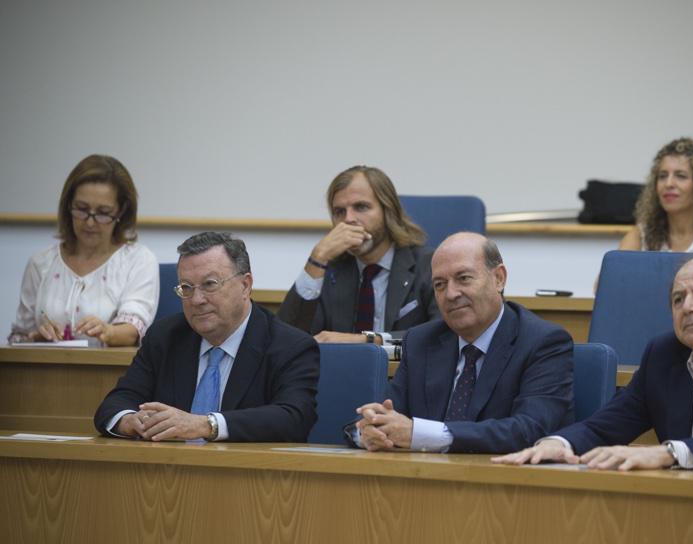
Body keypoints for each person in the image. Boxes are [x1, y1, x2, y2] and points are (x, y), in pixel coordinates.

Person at [493, 255, 693, 471]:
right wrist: (556, 443)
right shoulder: (663, 355)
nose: (688, 307)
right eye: (678, 299)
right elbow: (604, 426)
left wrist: (668, 453)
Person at [352, 232, 574, 454]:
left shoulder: (543, 342)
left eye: (463, 278)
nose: (450, 294)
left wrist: (420, 434)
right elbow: (382, 415)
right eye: (439, 284)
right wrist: (368, 432)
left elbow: (529, 430)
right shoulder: (421, 342)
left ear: (499, 278)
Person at [94, 232, 318, 442]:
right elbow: (115, 404)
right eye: (186, 287)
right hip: (167, 475)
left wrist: (207, 425)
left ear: (245, 285)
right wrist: (130, 421)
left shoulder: (290, 345)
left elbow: (294, 417)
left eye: (210, 284)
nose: (197, 299)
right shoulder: (165, 336)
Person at [277, 165, 439, 345]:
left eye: (361, 207)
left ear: (388, 211)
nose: (348, 219)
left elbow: (441, 334)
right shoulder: (330, 270)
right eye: (339, 212)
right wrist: (317, 258)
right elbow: (286, 341)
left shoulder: (429, 265)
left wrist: (367, 340)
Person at [8, 154, 159, 346]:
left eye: (103, 213)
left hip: (109, 374)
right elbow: (17, 341)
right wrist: (35, 338)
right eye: (81, 209)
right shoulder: (41, 263)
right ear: (68, 205)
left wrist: (109, 332)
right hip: (46, 372)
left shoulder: (139, 260)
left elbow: (133, 331)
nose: (89, 222)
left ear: (121, 212)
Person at [619, 138, 693, 253]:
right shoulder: (640, 236)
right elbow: (615, 272)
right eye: (662, 176)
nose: (668, 184)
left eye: (681, 176)